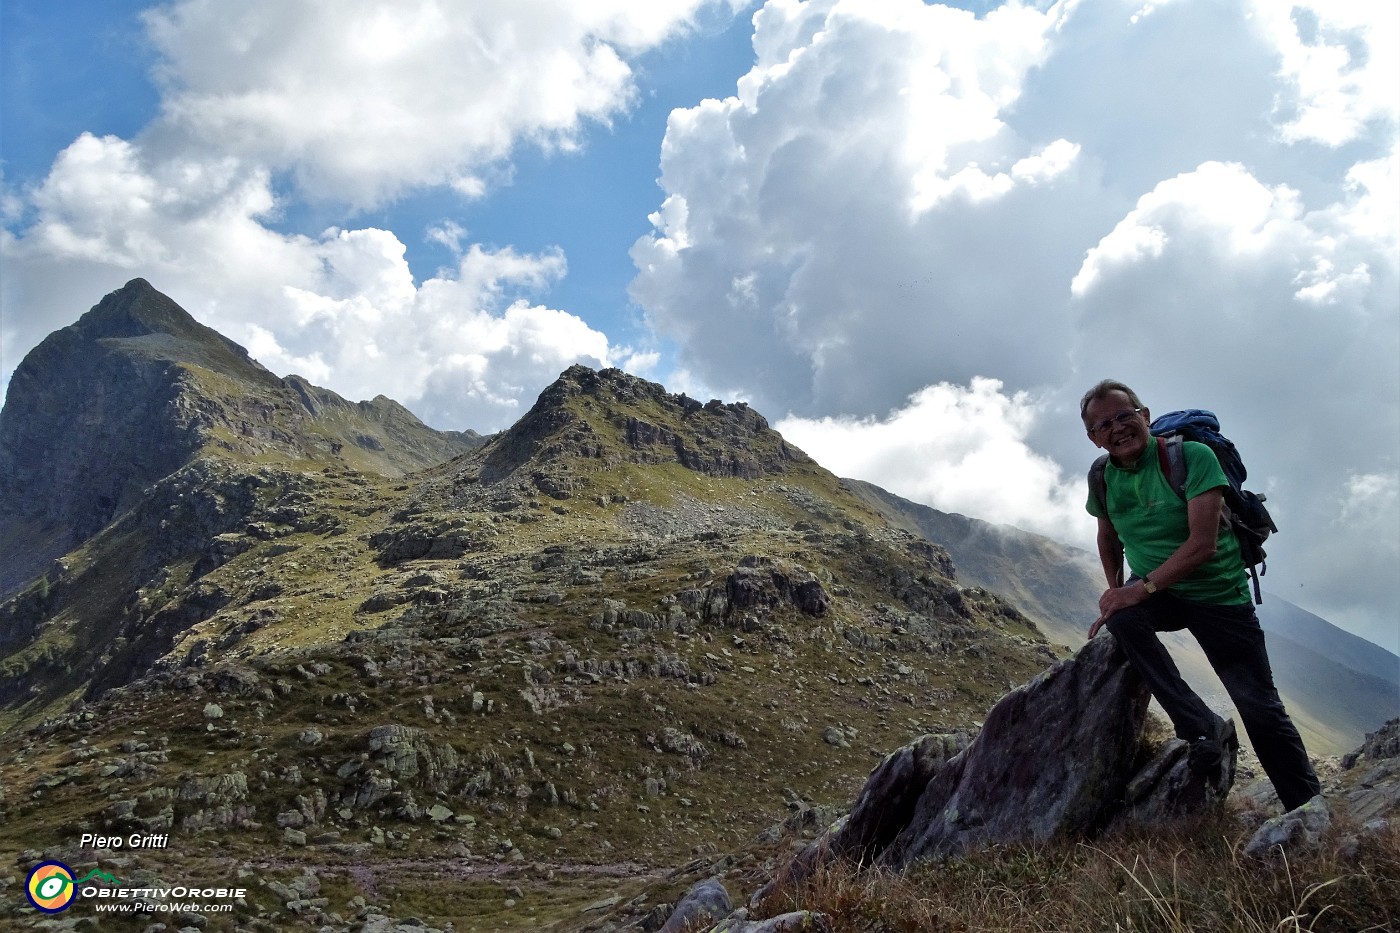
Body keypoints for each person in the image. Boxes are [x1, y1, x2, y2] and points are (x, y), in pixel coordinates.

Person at [1081, 379, 1320, 812]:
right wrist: (1117, 591)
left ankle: (1305, 810)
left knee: (1260, 708)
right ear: (1092, 437)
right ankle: (1199, 727)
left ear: (1145, 416)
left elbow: (1202, 545)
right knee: (1122, 620)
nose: (1117, 428)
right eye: (1103, 424)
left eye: (1124, 415)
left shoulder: (1192, 457)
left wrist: (1141, 589)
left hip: (1218, 595)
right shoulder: (1102, 477)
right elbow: (1107, 536)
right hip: (1158, 590)